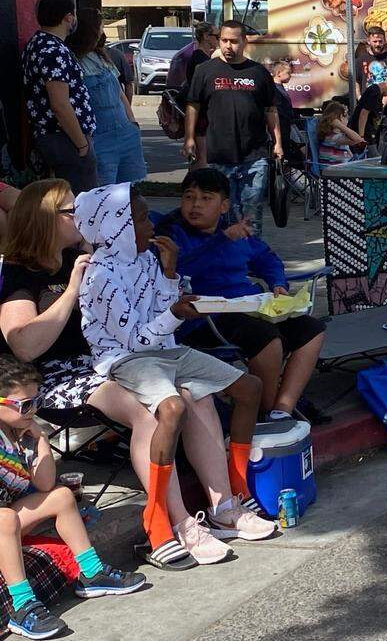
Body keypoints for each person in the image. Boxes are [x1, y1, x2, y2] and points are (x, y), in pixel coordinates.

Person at [0, 180, 242, 568]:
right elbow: (24, 346)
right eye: (69, 211)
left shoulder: (86, 253)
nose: (80, 216)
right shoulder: (20, 272)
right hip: (54, 378)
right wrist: (72, 289)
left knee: (196, 390)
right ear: (47, 220)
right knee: (147, 409)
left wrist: (166, 276)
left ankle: (223, 506)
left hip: (110, 358)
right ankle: (175, 521)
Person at [75, 183, 275, 569]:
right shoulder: (100, 276)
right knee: (170, 409)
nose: (151, 224)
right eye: (142, 217)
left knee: (247, 387)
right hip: (125, 358)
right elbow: (134, 339)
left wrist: (169, 274)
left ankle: (230, 498)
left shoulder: (146, 258)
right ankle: (163, 521)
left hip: (163, 350)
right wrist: (177, 313)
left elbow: (161, 322)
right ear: (116, 226)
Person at [156, 169, 329, 422]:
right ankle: (268, 411)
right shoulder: (173, 234)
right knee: (267, 338)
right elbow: (179, 269)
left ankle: (284, 407)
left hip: (248, 307)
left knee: (312, 329)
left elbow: (266, 258)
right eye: (189, 197)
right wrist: (221, 241)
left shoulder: (235, 232)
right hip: (203, 317)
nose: (195, 205)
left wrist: (278, 283)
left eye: (206, 198)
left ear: (224, 205)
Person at [0, 356, 145, 639]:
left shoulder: (21, 432)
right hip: (4, 519)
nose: (33, 410)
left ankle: (91, 573)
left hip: (6, 520)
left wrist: (40, 438)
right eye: (25, 405)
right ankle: (22, 606)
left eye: (36, 402)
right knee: (5, 518)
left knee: (61, 496)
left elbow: (43, 484)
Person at [184, 21, 283, 236]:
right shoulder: (205, 71)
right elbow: (193, 105)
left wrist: (278, 143)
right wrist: (189, 138)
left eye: (234, 41)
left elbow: (271, 110)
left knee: (251, 214)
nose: (229, 46)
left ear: (245, 42)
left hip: (254, 156)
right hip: (219, 155)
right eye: (224, 40)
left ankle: (250, 257)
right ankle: (225, 258)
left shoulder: (259, 73)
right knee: (222, 215)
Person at [20, 0, 98, 192]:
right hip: (65, 139)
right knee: (80, 202)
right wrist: (82, 145)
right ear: (68, 17)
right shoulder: (54, 51)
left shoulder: (37, 43)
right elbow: (60, 104)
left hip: (52, 136)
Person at [62, 8, 147, 188]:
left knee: (131, 194)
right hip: (99, 138)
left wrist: (132, 123)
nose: (102, 32)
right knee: (103, 195)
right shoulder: (72, 60)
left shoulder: (102, 55)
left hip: (125, 133)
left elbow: (119, 92)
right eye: (99, 27)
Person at [168, 22, 220, 169]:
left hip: (202, 116)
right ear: (206, 37)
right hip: (201, 116)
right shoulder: (200, 60)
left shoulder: (202, 58)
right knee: (201, 160)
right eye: (216, 36)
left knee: (200, 158)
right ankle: (198, 187)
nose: (218, 39)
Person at [353, 25, 387, 101]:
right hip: (367, 107)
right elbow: (356, 81)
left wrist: (382, 105)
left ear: (385, 41)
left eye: (380, 41)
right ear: (368, 41)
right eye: (375, 41)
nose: (377, 44)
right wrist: (360, 98)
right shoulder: (360, 60)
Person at [315, 101, 365, 166]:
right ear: (341, 117)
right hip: (334, 171)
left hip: (336, 169)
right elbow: (358, 139)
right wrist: (339, 124)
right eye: (346, 116)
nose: (347, 120)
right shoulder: (332, 137)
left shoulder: (330, 135)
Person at [101, 33, 135, 103]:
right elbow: (129, 85)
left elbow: (128, 84)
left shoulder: (116, 55)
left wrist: (127, 109)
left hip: (116, 104)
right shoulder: (82, 58)